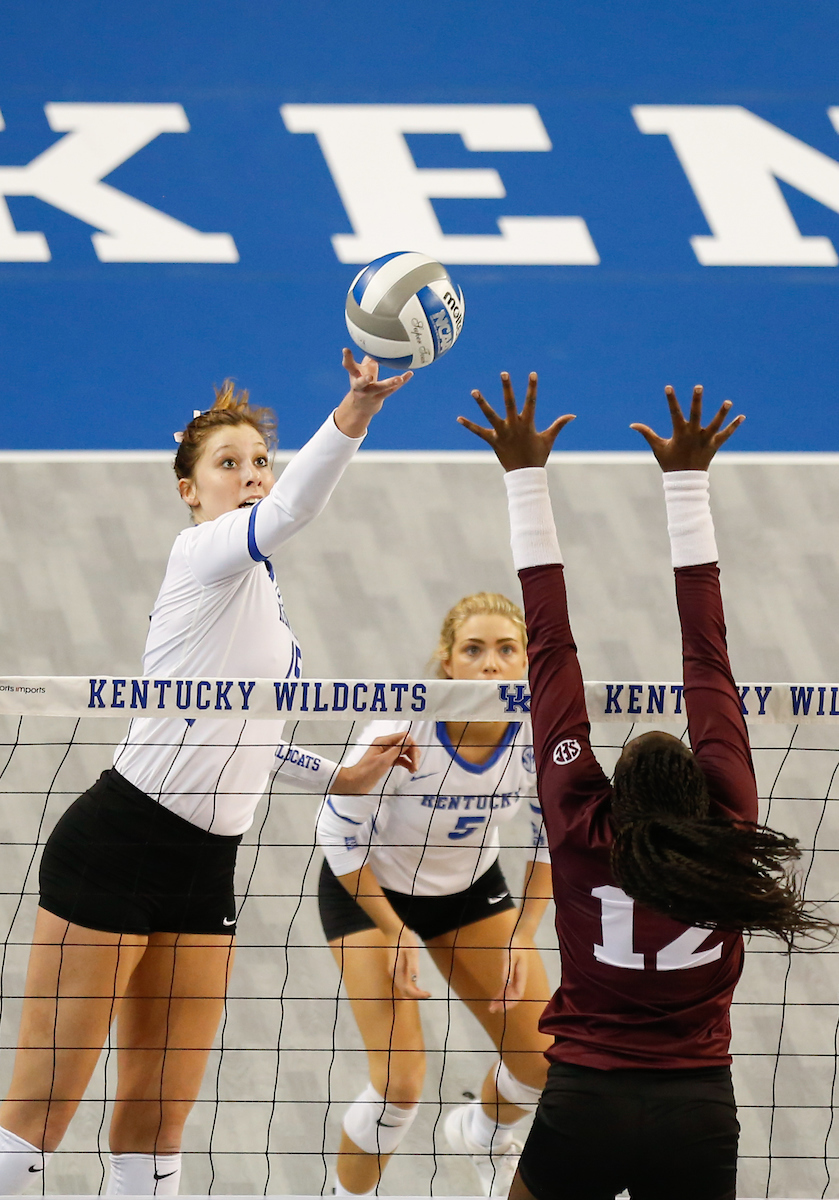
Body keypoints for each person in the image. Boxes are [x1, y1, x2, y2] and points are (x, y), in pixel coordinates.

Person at [0, 352, 416, 1197]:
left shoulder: (264, 605)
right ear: (190, 491)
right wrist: (356, 409)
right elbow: (294, 509)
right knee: (41, 1112)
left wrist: (337, 777)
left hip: (205, 869)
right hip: (119, 845)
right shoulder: (202, 555)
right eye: (230, 464)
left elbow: (247, 738)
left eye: (259, 460)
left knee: (158, 1122)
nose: (252, 474)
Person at [458, 374, 833, 1200]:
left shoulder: (580, 827)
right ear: (697, 791)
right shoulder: (725, 830)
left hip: (584, 1103)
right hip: (696, 1112)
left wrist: (525, 477)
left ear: (611, 795)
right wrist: (687, 484)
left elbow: (550, 648)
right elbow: (706, 656)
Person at [316, 592, 555, 1197]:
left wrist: (524, 932)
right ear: (447, 661)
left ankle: (483, 1133)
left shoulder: (539, 735)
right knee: (398, 1087)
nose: (491, 663)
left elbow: (551, 840)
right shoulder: (403, 729)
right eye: (473, 650)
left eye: (506, 649)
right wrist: (393, 929)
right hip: (368, 890)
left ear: (527, 661)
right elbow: (336, 833)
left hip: (467, 892)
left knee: (543, 1060)